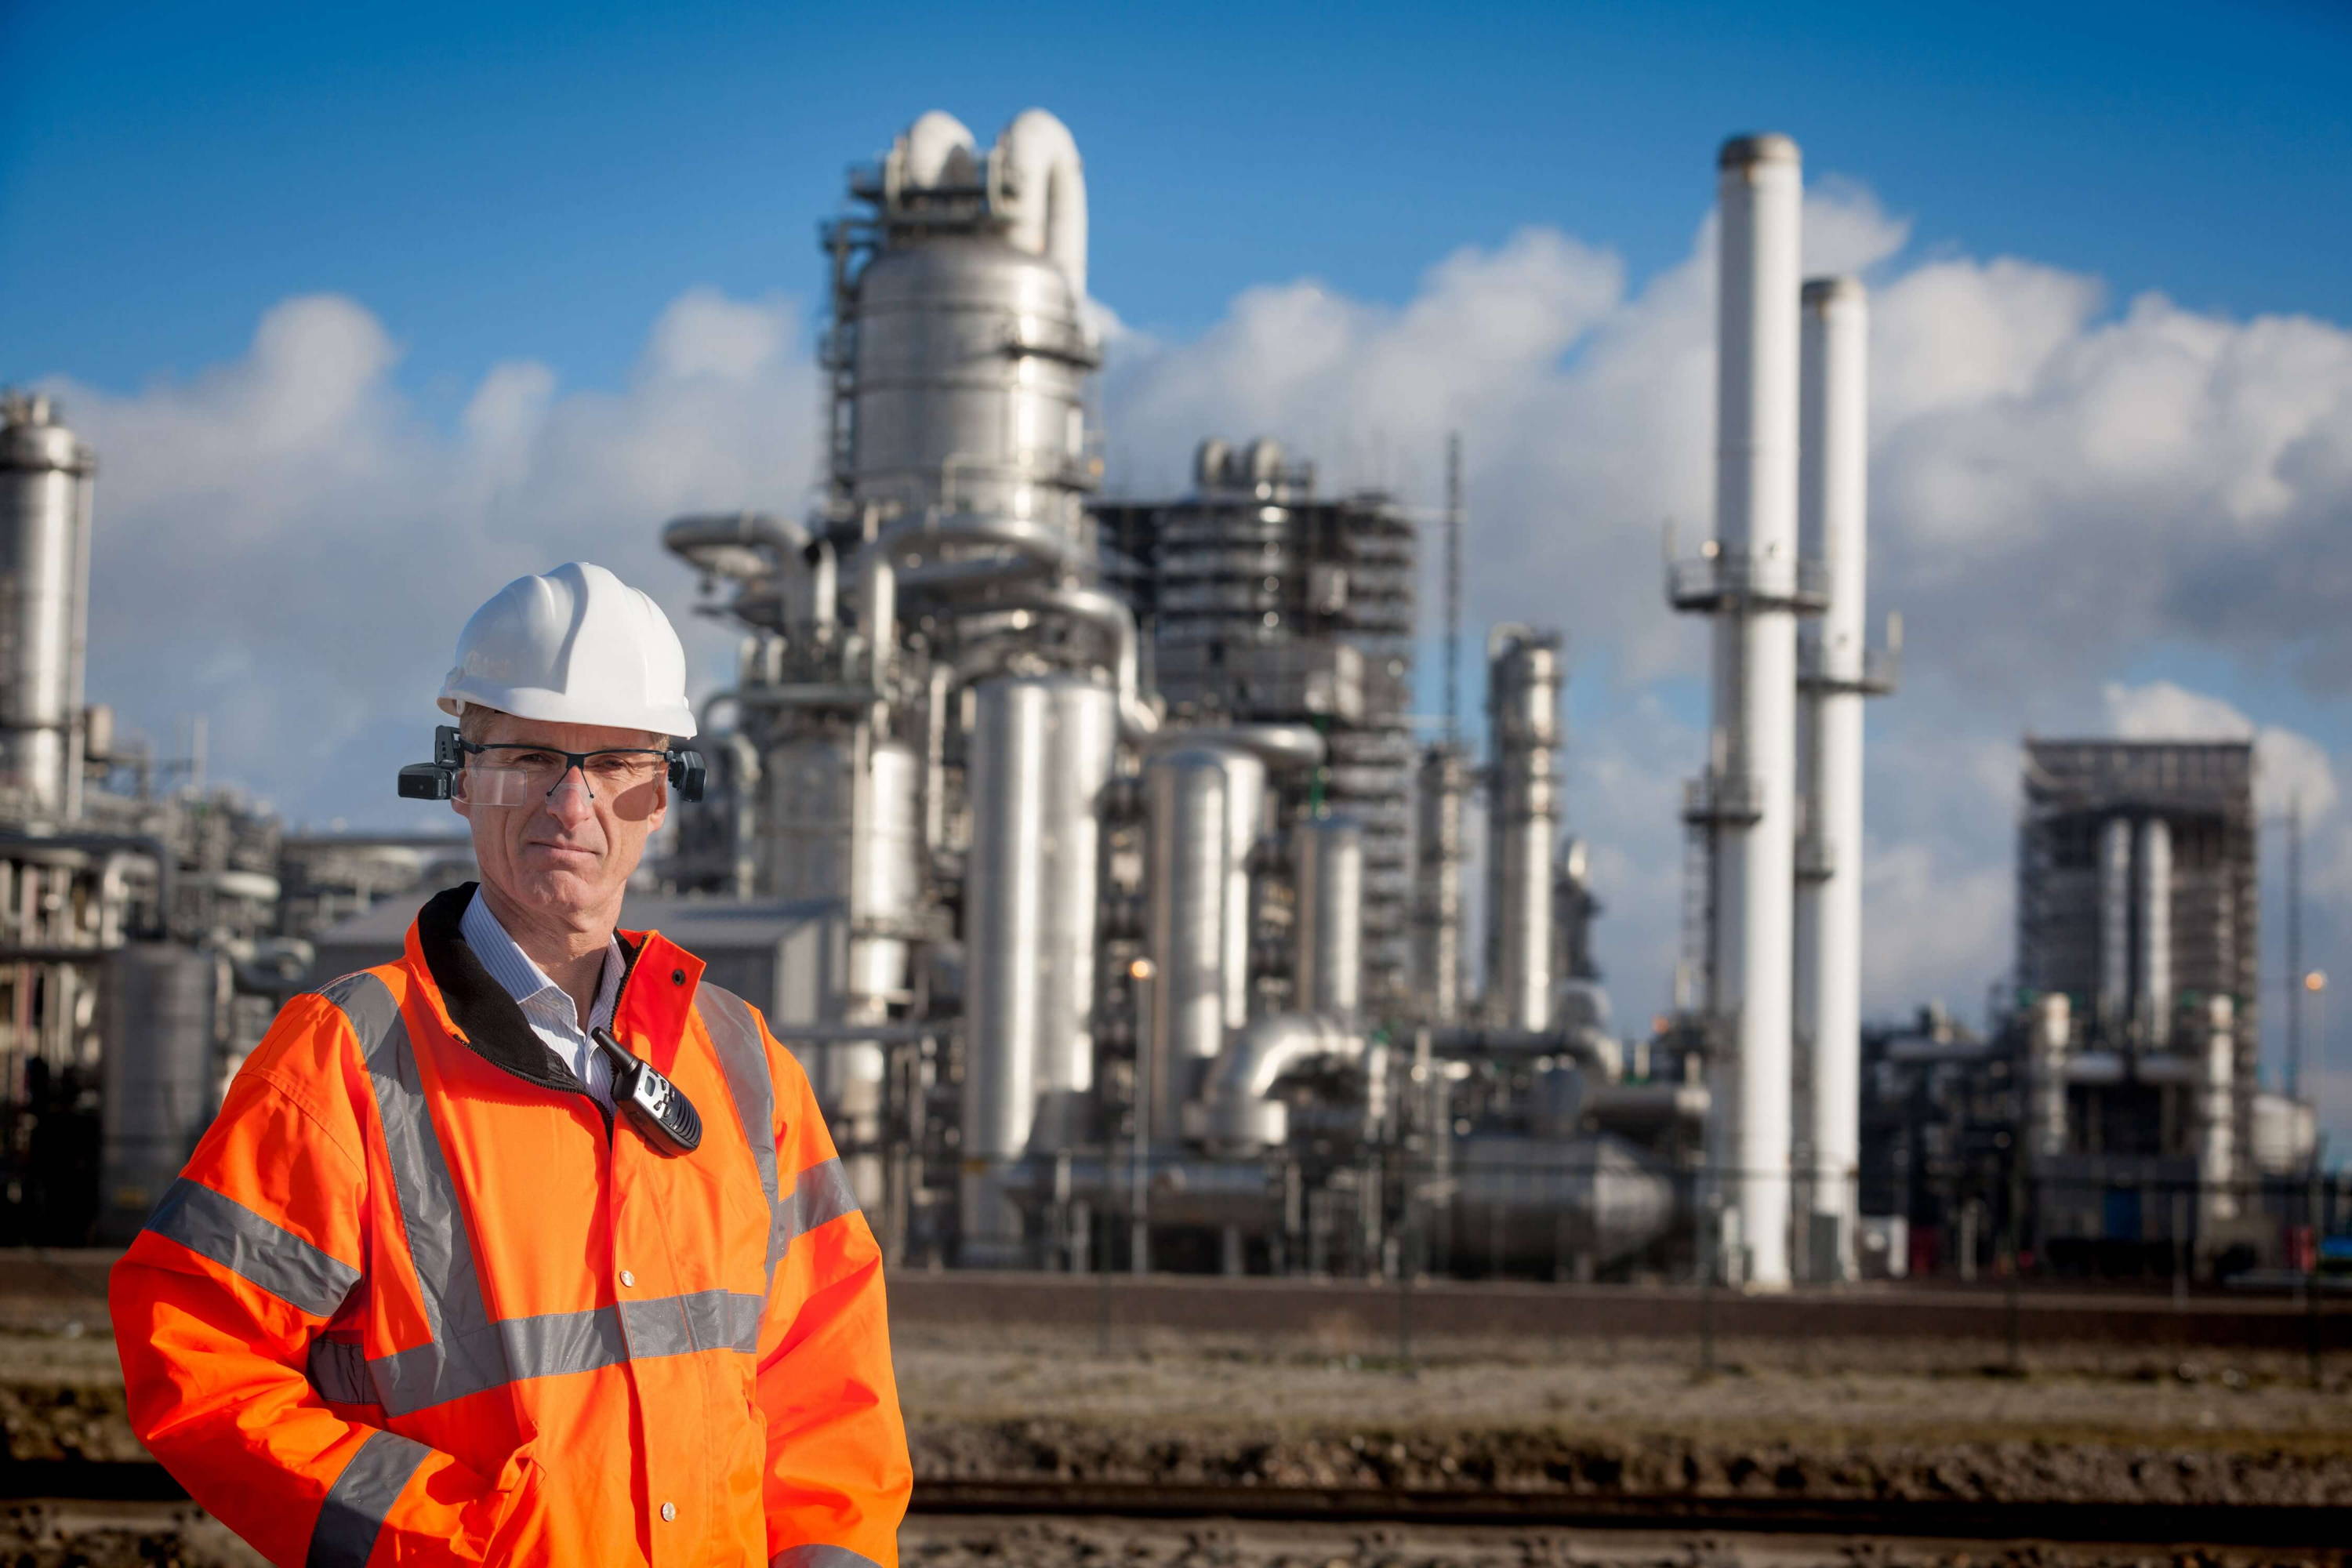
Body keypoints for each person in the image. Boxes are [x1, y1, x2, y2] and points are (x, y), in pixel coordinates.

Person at [110, 562, 911, 1566]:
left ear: (663, 794)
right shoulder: (343, 1061)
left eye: (614, 761)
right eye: (528, 755)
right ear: (461, 777)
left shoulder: (744, 1062)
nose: (569, 804)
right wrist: (461, 1542)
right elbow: (198, 1353)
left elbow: (825, 1373)